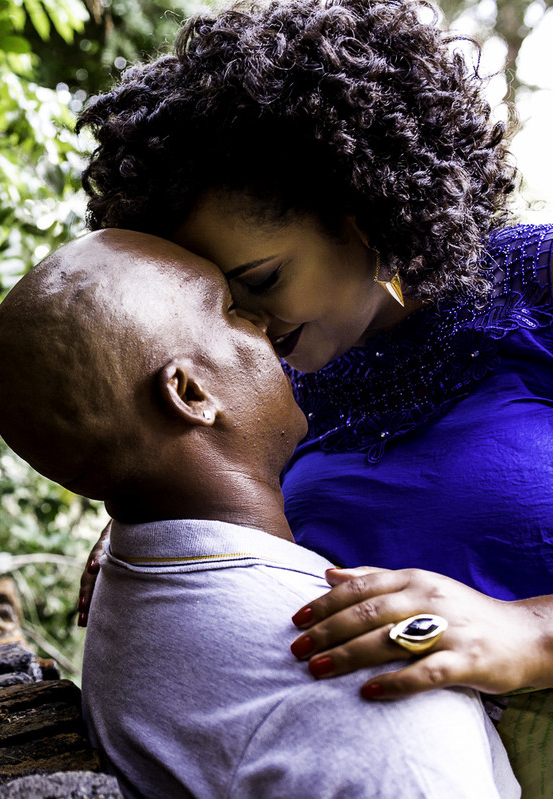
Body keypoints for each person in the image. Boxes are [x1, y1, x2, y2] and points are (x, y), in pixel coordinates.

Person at [72, 0, 553, 789]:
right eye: (220, 304)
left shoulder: (539, 286)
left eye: (261, 280)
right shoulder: (268, 394)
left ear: (361, 206)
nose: (251, 326)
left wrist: (530, 634)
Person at [0, 228, 519, 798]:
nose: (270, 331)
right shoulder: (373, 694)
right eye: (235, 311)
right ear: (191, 393)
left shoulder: (141, 574)